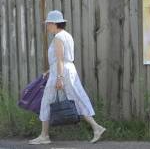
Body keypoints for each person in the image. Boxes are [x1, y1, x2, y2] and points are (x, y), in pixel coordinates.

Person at [29, 10, 106, 145]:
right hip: (67, 70)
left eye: (48, 24)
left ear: (54, 24)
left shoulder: (58, 37)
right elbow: (63, 59)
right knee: (77, 98)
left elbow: (60, 59)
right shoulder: (66, 36)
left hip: (61, 72)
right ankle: (96, 128)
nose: (47, 27)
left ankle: (44, 136)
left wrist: (58, 77)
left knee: (47, 101)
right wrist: (50, 70)